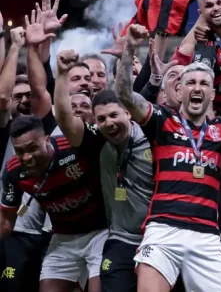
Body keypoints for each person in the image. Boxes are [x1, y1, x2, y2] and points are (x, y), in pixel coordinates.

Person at [116, 24, 221, 292]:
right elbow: (125, 96)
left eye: (204, 84)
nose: (197, 88)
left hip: (207, 236)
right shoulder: (162, 121)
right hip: (163, 229)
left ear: (211, 93)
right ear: (180, 89)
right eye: (191, 83)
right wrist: (129, 49)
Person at [53, 48, 155, 292]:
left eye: (113, 115)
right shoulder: (98, 140)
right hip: (120, 238)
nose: (109, 123)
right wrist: (61, 75)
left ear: (128, 112)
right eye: (101, 119)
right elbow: (66, 121)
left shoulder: (153, 132)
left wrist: (129, 53)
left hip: (156, 235)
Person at [1, 115, 108, 292]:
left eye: (32, 148)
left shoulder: (74, 148)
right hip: (63, 238)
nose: (26, 157)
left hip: (100, 232)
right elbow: (6, 222)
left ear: (46, 140)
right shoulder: (13, 172)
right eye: (19, 151)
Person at [0, 28, 52, 292]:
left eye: (27, 96)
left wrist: (39, 48)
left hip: (47, 234)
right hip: (13, 233)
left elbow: (42, 93)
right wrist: (10, 45)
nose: (22, 101)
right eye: (16, 96)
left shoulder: (45, 129)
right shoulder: (5, 129)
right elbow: (1, 97)